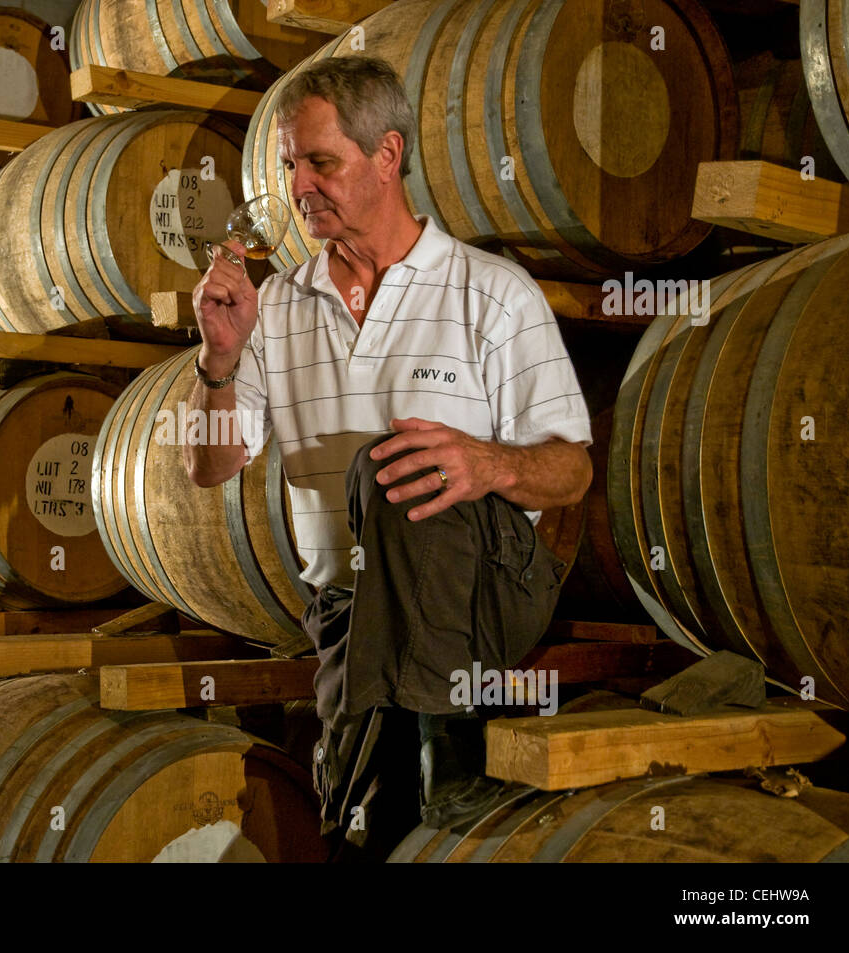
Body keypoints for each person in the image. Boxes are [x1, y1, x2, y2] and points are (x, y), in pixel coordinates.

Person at [184, 56, 593, 861]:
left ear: (388, 155)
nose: (301, 186)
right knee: (375, 521)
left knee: (392, 466)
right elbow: (209, 466)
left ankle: (393, 773)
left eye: (321, 162)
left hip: (485, 593)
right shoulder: (279, 308)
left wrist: (490, 464)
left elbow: (573, 472)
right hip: (347, 609)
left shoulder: (492, 291)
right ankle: (421, 779)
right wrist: (220, 362)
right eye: (289, 166)